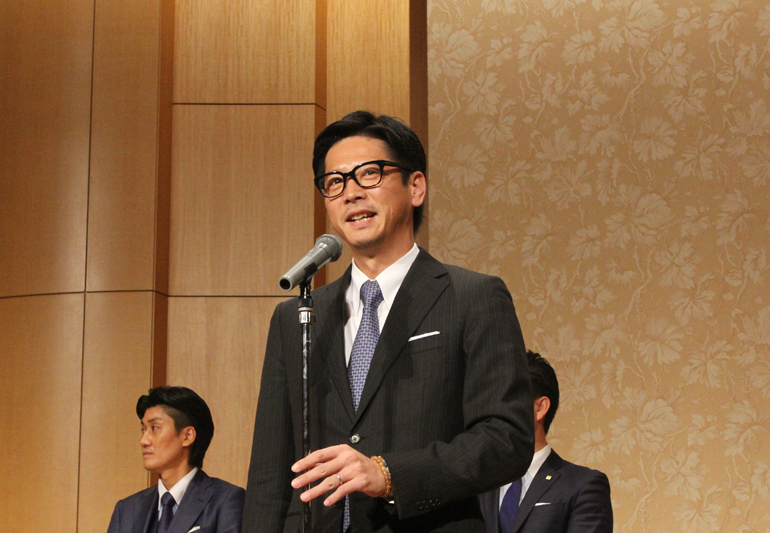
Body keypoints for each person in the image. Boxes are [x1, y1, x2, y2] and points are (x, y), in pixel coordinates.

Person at [242, 110, 535, 532]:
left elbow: (507, 439)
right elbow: (269, 473)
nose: (350, 193)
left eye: (369, 174)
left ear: (415, 187)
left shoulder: (472, 296)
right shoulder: (298, 317)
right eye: (334, 182)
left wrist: (389, 474)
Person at [479, 351, 613, 533]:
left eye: (506, 399)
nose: (493, 410)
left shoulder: (583, 486)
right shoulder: (478, 486)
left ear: (540, 408)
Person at [108, 386, 245, 533]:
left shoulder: (225, 500)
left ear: (187, 436)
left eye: (155, 428)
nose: (144, 441)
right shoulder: (126, 510)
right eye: (143, 430)